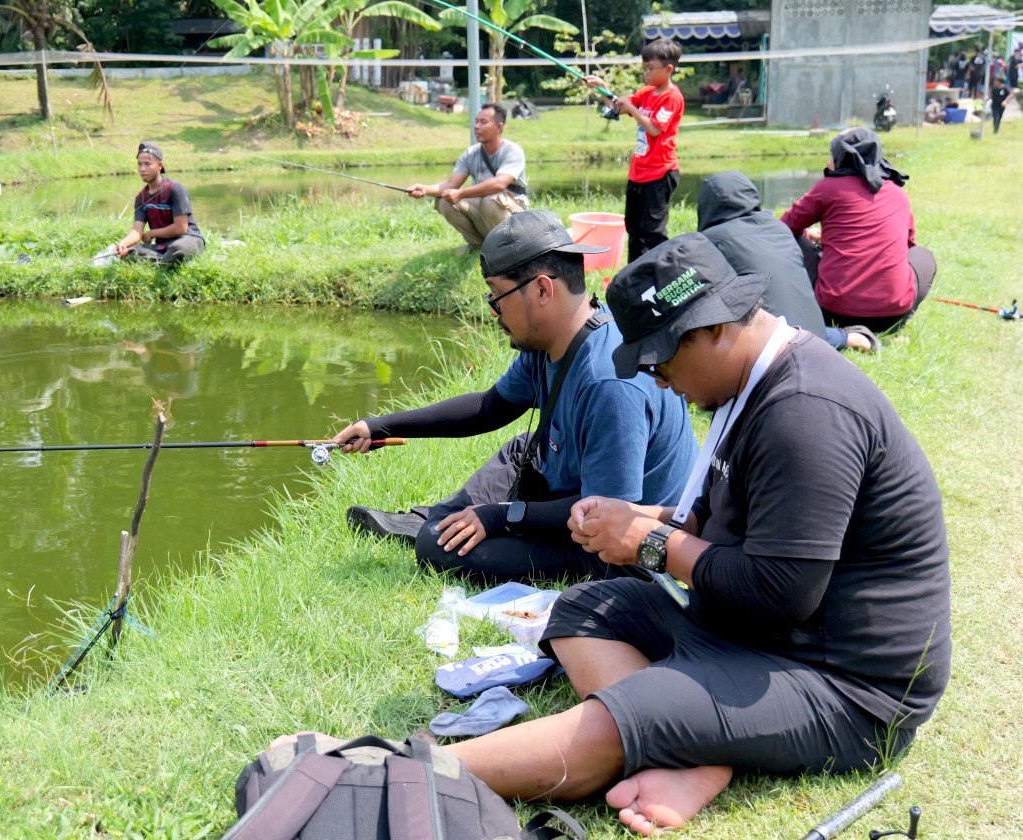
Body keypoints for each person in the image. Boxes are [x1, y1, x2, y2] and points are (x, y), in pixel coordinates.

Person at [283, 234, 951, 837]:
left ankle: (385, 771)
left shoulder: (804, 413)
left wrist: (650, 544)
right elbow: (715, 529)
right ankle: (704, 746)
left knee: (635, 708)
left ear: (711, 330)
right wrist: (641, 525)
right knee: (585, 608)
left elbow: (780, 591)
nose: (658, 379)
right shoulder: (749, 384)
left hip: (843, 686)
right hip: (752, 639)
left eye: (660, 361)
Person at [336, 210, 697, 583]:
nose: (494, 311)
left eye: (497, 296)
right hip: (581, 500)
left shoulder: (610, 383)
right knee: (523, 448)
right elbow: (489, 408)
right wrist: (380, 426)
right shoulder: (556, 338)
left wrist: (500, 515)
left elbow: (606, 513)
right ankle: (435, 519)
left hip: (616, 549)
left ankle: (438, 528)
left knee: (435, 548)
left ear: (542, 289)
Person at [781, 128, 937, 339]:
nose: (828, 161)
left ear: (843, 157)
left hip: (833, 312)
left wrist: (810, 236)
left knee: (792, 240)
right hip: (892, 314)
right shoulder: (898, 194)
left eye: (833, 155)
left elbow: (784, 227)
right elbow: (907, 247)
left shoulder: (828, 188)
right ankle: (896, 326)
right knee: (923, 256)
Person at [696, 171, 878, 352]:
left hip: (768, 349)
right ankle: (846, 338)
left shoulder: (709, 242)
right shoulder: (779, 228)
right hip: (814, 338)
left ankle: (846, 337)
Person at [585, 38, 684, 263]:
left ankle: (656, 274)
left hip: (660, 173)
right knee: (634, 229)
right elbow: (617, 106)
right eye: (644, 68)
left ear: (668, 69)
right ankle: (634, 275)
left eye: (650, 69)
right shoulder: (647, 92)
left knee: (652, 233)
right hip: (638, 172)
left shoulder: (672, 98)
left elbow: (655, 129)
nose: (646, 73)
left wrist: (633, 109)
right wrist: (602, 87)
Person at [407, 103, 529, 255]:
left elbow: (499, 183)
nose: (477, 126)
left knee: (490, 200)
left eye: (483, 122)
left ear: (499, 127)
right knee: (445, 201)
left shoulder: (512, 151)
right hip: (486, 208)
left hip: (515, 217)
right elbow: (450, 185)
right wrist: (423, 189)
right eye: (476, 121)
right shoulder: (471, 154)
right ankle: (479, 247)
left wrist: (462, 193)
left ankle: (510, 247)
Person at [115, 141, 205, 267]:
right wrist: (124, 243)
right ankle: (168, 261)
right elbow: (137, 230)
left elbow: (181, 228)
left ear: (160, 165)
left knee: (179, 248)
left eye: (147, 164)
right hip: (163, 246)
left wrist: (152, 233)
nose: (142, 169)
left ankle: (163, 261)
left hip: (188, 239)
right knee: (128, 252)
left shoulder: (175, 189)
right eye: (139, 164)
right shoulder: (141, 198)